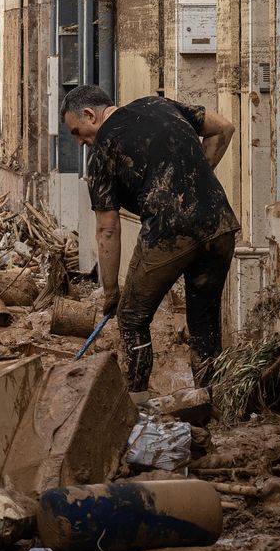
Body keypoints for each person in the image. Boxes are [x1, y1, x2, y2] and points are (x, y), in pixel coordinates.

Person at [61, 84, 239, 393]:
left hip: (169, 233)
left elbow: (107, 229)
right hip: (219, 225)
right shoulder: (158, 105)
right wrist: (197, 174)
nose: (79, 143)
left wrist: (111, 292)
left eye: (77, 132)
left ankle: (136, 404)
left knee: (131, 318)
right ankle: (211, 401)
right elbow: (224, 127)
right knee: (204, 319)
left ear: (90, 114)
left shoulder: (102, 151)